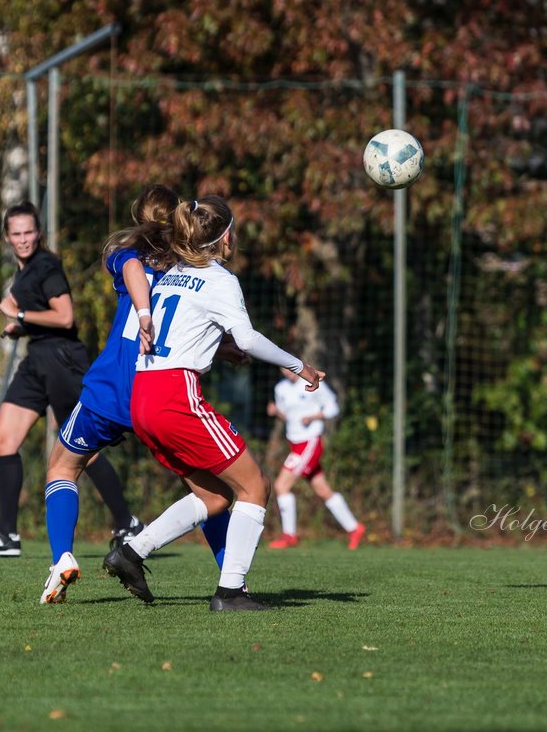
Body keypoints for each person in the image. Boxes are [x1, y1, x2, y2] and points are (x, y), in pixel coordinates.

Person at [102, 195, 325, 612]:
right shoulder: (220, 279)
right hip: (175, 395)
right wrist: (301, 367)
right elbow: (248, 338)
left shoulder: (171, 274)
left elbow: (184, 331)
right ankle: (231, 593)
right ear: (225, 238)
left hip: (143, 395)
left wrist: (216, 347)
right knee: (255, 485)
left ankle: (131, 553)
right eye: (234, 231)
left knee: (216, 496)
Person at [41, 185, 232, 603]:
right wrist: (231, 349)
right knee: (206, 491)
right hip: (159, 393)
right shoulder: (186, 268)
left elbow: (131, 271)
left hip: (112, 390)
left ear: (136, 214)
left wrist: (142, 312)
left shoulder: (123, 251)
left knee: (62, 467)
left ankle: (63, 559)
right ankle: (233, 580)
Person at [0, 200, 139, 559]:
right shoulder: (24, 271)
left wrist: (20, 312)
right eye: (17, 233)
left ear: (38, 233)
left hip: (62, 361)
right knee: (3, 440)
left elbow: (65, 317)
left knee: (81, 451)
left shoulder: (47, 265)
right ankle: (7, 535)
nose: (24, 239)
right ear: (7, 238)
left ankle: (127, 523)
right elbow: (41, 317)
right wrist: (20, 326)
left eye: (29, 232)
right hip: (36, 360)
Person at [264, 367, 365, 550]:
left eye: (290, 368)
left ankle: (289, 536)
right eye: (283, 369)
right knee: (322, 489)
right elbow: (288, 416)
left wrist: (314, 416)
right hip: (294, 443)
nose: (287, 373)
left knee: (281, 486)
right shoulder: (281, 389)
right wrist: (276, 412)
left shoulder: (312, 383)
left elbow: (333, 407)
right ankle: (355, 528)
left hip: (309, 443)